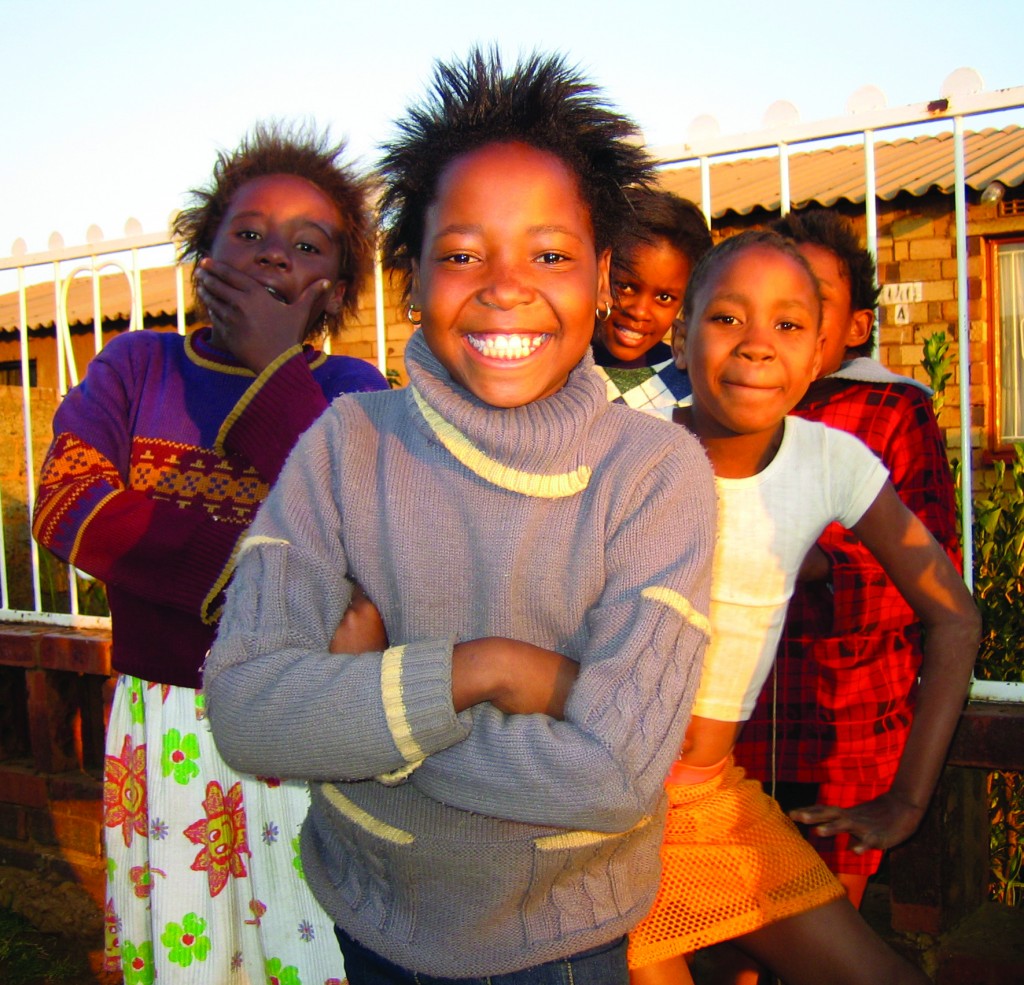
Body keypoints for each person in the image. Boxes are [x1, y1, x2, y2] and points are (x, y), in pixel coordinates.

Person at [204, 48, 716, 985]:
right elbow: (246, 710)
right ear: (412, 275)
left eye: (550, 253)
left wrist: (367, 722)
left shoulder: (654, 474)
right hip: (373, 912)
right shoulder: (346, 446)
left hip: (561, 941)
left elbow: (614, 773)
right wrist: (494, 672)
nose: (505, 284)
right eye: (462, 253)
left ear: (602, 277)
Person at [32, 122, 388, 984]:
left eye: (306, 246)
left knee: (311, 945)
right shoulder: (134, 367)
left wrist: (274, 369)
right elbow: (69, 505)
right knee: (187, 949)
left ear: (338, 287)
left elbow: (358, 537)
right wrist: (276, 580)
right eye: (250, 234)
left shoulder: (351, 394)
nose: (274, 257)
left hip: (304, 723)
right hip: (169, 727)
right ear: (204, 253)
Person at [626, 230, 979, 985]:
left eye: (787, 325)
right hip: (603, 814)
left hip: (714, 802)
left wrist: (908, 798)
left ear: (821, 350)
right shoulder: (627, 452)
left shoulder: (831, 461)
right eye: (727, 318)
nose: (757, 346)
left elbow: (955, 616)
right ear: (680, 337)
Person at [733, 209, 961, 909]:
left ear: (856, 326)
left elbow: (936, 582)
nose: (776, 327)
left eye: (809, 301)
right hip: (732, 740)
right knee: (728, 939)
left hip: (845, 734)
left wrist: (826, 566)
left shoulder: (890, 411)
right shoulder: (729, 406)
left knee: (822, 930)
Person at [592, 187, 710, 418]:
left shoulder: (693, 386)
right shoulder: (559, 369)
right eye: (625, 286)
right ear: (600, 269)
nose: (639, 312)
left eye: (664, 298)